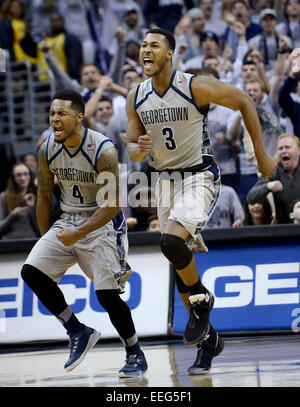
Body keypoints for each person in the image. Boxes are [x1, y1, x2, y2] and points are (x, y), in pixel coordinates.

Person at [126, 28, 276, 374]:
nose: (146, 50)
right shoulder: (136, 94)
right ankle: (208, 341)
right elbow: (132, 143)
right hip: (164, 181)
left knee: (171, 241)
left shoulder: (195, 86)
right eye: (143, 45)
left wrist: (262, 153)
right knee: (177, 255)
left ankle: (202, 301)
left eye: (154, 45)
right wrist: (137, 148)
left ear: (170, 54)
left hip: (198, 175)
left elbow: (243, 100)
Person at [20, 89, 147, 378]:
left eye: (61, 113)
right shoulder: (47, 148)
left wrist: (77, 234)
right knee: (32, 271)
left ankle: (135, 352)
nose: (54, 119)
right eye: (52, 113)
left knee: (107, 296)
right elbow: (43, 195)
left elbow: (113, 204)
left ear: (79, 117)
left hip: (102, 222)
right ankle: (77, 330)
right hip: (68, 218)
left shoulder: (104, 151)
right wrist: (46, 238)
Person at [247, 133, 300, 223]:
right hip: (284, 228)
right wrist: (268, 186)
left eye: (287, 147)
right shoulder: (273, 172)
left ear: (298, 150)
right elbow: (251, 197)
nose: (283, 151)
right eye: (280, 148)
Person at [0, 162, 40, 240]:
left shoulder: (37, 194)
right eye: (19, 175)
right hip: (9, 242)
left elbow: (41, 230)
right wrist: (13, 215)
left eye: (26, 174)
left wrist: (31, 208)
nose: (23, 178)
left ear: (30, 175)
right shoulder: (3, 197)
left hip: (32, 241)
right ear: (13, 178)